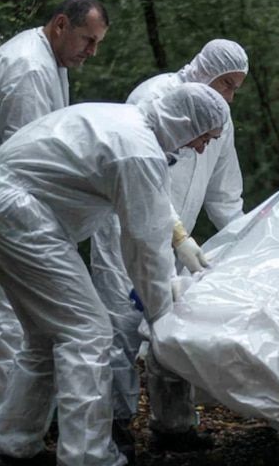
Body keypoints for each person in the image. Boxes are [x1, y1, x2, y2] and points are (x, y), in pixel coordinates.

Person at [0, 83, 230, 466]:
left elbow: (153, 206)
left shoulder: (129, 126)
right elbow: (145, 245)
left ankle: (15, 447)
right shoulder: (139, 149)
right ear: (185, 122)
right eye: (205, 137)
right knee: (88, 333)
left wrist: (180, 238)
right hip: (20, 217)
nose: (202, 148)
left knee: (44, 337)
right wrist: (161, 315)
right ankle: (87, 455)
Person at [0, 0, 109, 433]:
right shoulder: (28, 68)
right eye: (87, 39)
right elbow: (30, 156)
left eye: (97, 42)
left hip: (2, 187)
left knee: (20, 303)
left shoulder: (51, 60)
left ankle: (25, 416)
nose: (91, 51)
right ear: (61, 24)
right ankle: (5, 420)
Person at [88, 39, 248, 451]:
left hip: (179, 238)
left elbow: (224, 191)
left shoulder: (219, 116)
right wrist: (177, 236)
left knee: (172, 323)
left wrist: (244, 238)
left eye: (235, 89)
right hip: (123, 228)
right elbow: (143, 177)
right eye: (225, 84)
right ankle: (113, 423)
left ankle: (174, 426)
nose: (229, 96)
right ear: (206, 71)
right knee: (121, 322)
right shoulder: (155, 98)